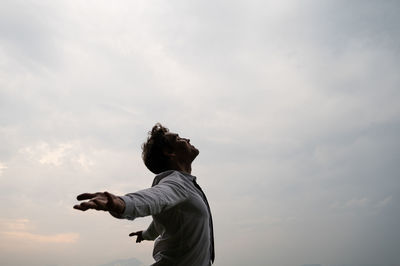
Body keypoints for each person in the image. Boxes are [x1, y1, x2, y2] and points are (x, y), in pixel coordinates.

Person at [73, 123, 215, 266]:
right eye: (178, 139)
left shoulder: (184, 185)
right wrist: (122, 203)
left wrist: (145, 234)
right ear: (169, 152)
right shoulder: (176, 183)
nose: (187, 139)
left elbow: (161, 221)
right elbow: (153, 198)